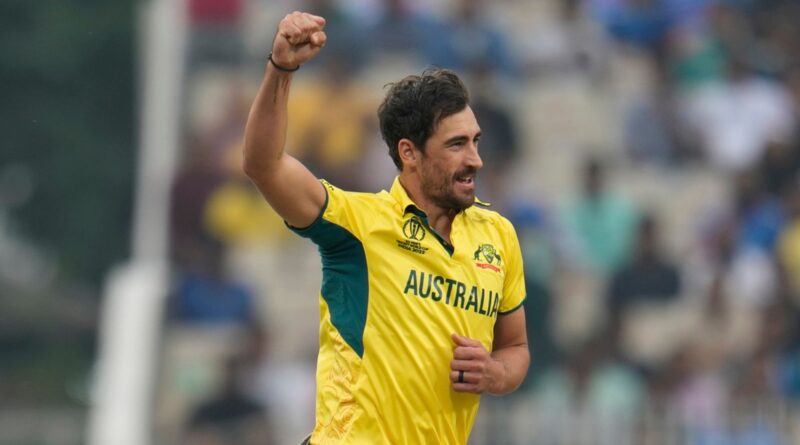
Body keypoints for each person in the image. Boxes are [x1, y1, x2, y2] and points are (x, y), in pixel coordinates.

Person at [243, 11, 529, 444]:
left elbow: (516, 348)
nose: (475, 159)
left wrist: (495, 373)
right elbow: (263, 165)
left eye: (475, 141)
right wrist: (281, 69)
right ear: (409, 153)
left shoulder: (498, 236)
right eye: (456, 144)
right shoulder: (358, 225)